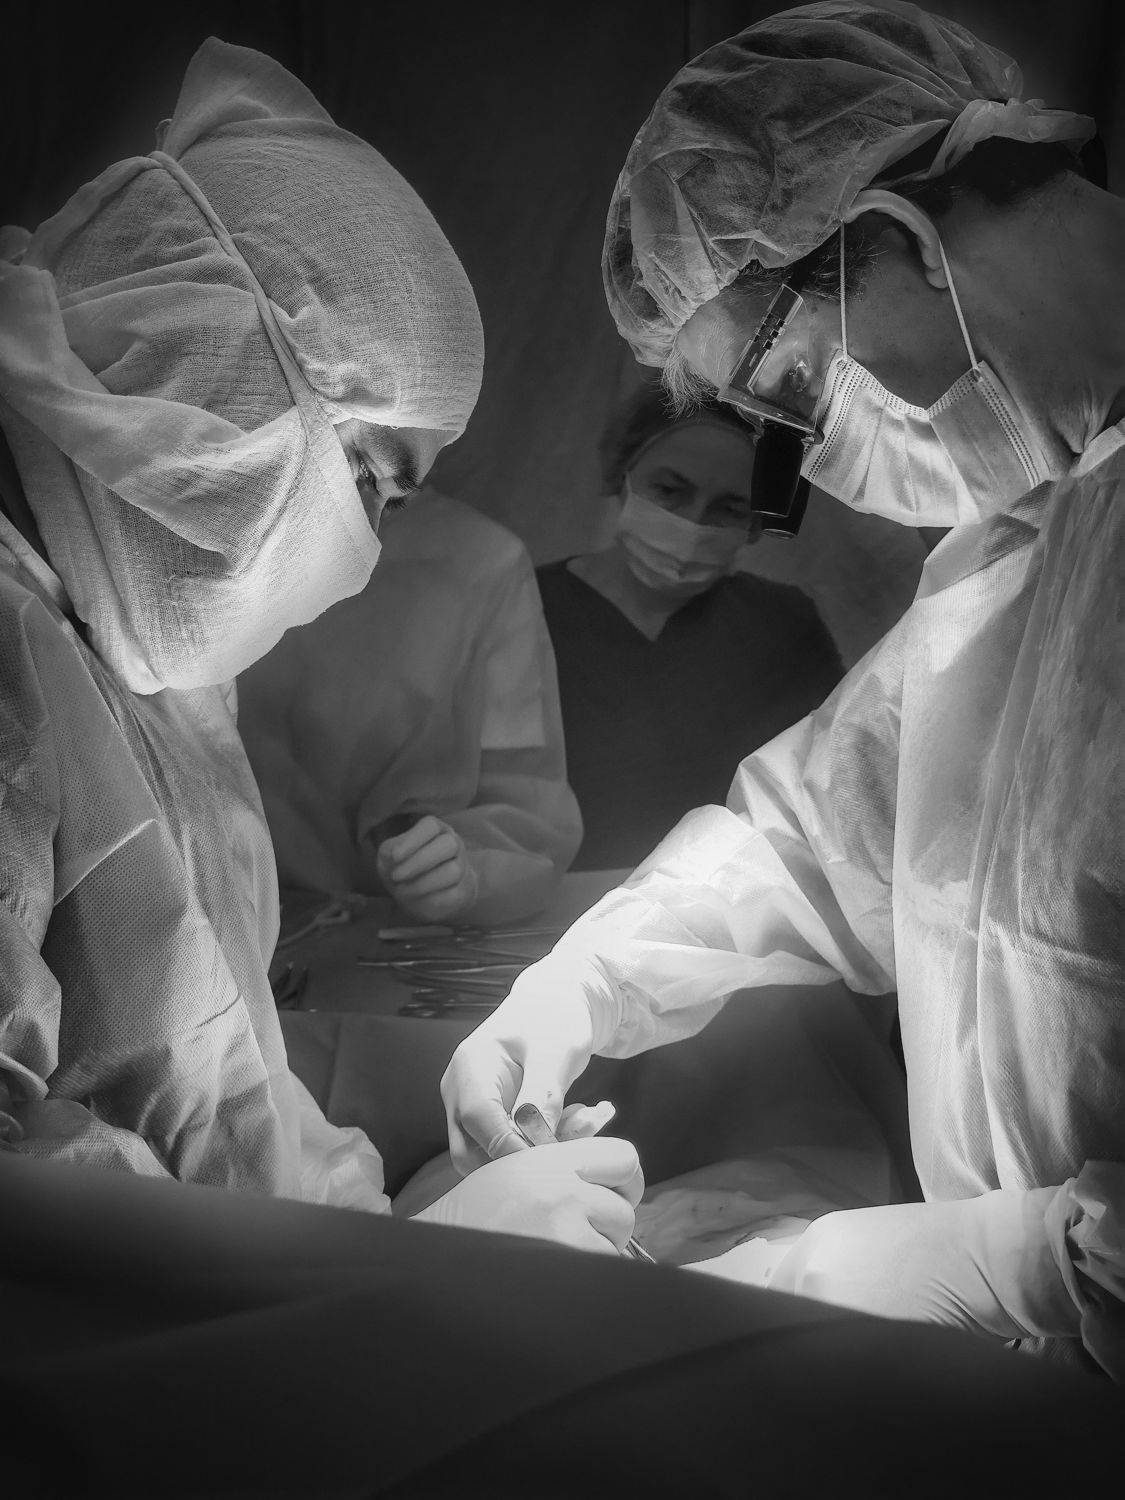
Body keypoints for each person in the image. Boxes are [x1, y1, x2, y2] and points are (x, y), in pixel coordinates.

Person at [441, 2, 1124, 1376]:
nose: (807, 459)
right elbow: (817, 841)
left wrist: (1029, 1263)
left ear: (897, 230)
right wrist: (586, 983)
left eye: (787, 383)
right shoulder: (1020, 550)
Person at [0, 38, 641, 1255]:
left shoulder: (144, 669)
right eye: (368, 478)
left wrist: (386, 1226)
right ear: (216, 359)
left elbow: (222, 1093)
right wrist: (379, 1275)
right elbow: (34, 1244)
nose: (358, 555)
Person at [237, 488, 581, 925]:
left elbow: (526, 800)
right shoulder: (224, 539)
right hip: (235, 915)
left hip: (403, 923)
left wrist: (466, 869)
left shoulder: (483, 562)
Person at [537, 381, 842, 869]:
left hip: (720, 903)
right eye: (669, 491)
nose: (693, 523)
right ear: (621, 474)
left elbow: (827, 793)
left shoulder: (782, 630)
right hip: (551, 902)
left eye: (729, 509)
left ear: (757, 523)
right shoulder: (530, 611)